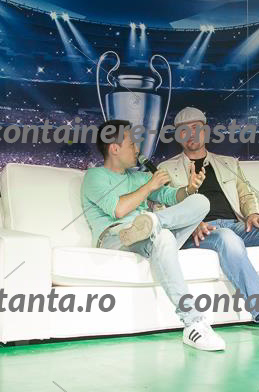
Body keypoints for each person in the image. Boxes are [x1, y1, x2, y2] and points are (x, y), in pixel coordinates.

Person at [159, 107, 259, 340]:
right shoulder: (166, 169)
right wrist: (190, 223)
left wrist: (252, 213)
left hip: (235, 224)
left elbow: (246, 194)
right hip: (200, 231)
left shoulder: (227, 163)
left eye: (196, 128)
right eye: (184, 130)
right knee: (228, 238)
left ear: (206, 131)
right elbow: (161, 206)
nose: (191, 134)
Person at [80, 119, 224, 352]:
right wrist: (149, 186)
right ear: (114, 148)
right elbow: (118, 210)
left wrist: (189, 188)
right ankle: (193, 323)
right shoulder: (95, 176)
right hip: (117, 236)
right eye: (132, 144)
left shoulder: (139, 177)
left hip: (151, 233)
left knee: (200, 202)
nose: (137, 149)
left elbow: (171, 197)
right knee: (164, 237)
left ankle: (155, 222)